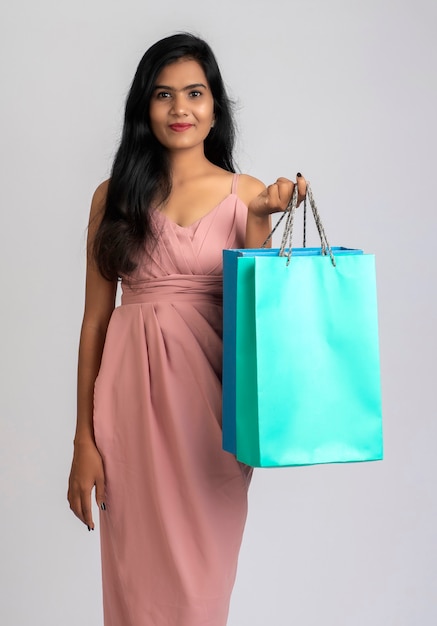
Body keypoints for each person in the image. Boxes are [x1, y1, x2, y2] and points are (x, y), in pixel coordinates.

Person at [67, 32, 306, 626]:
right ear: (143, 109)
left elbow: (258, 311)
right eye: (163, 95)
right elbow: (95, 321)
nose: (180, 109)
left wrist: (260, 220)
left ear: (215, 105)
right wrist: (82, 442)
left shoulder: (243, 194)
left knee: (201, 598)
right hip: (126, 414)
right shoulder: (111, 198)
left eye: (194, 94)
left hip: (209, 420)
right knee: (133, 594)